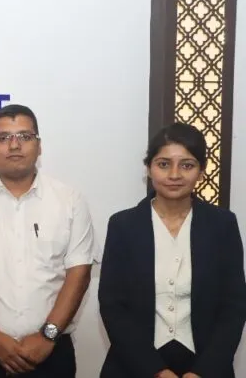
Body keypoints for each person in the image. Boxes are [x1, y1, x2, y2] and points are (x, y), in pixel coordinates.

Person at [0, 104, 94, 378]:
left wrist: (48, 335)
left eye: (25, 137)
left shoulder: (69, 201)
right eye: (3, 138)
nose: (14, 145)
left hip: (51, 351)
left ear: (39, 146)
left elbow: (79, 274)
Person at [98, 122, 246, 378]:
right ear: (149, 168)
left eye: (187, 165)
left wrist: (203, 372)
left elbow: (234, 306)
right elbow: (113, 305)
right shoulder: (123, 225)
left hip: (206, 366)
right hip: (135, 366)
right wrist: (156, 371)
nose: (174, 174)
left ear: (201, 171)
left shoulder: (223, 225)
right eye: (164, 164)